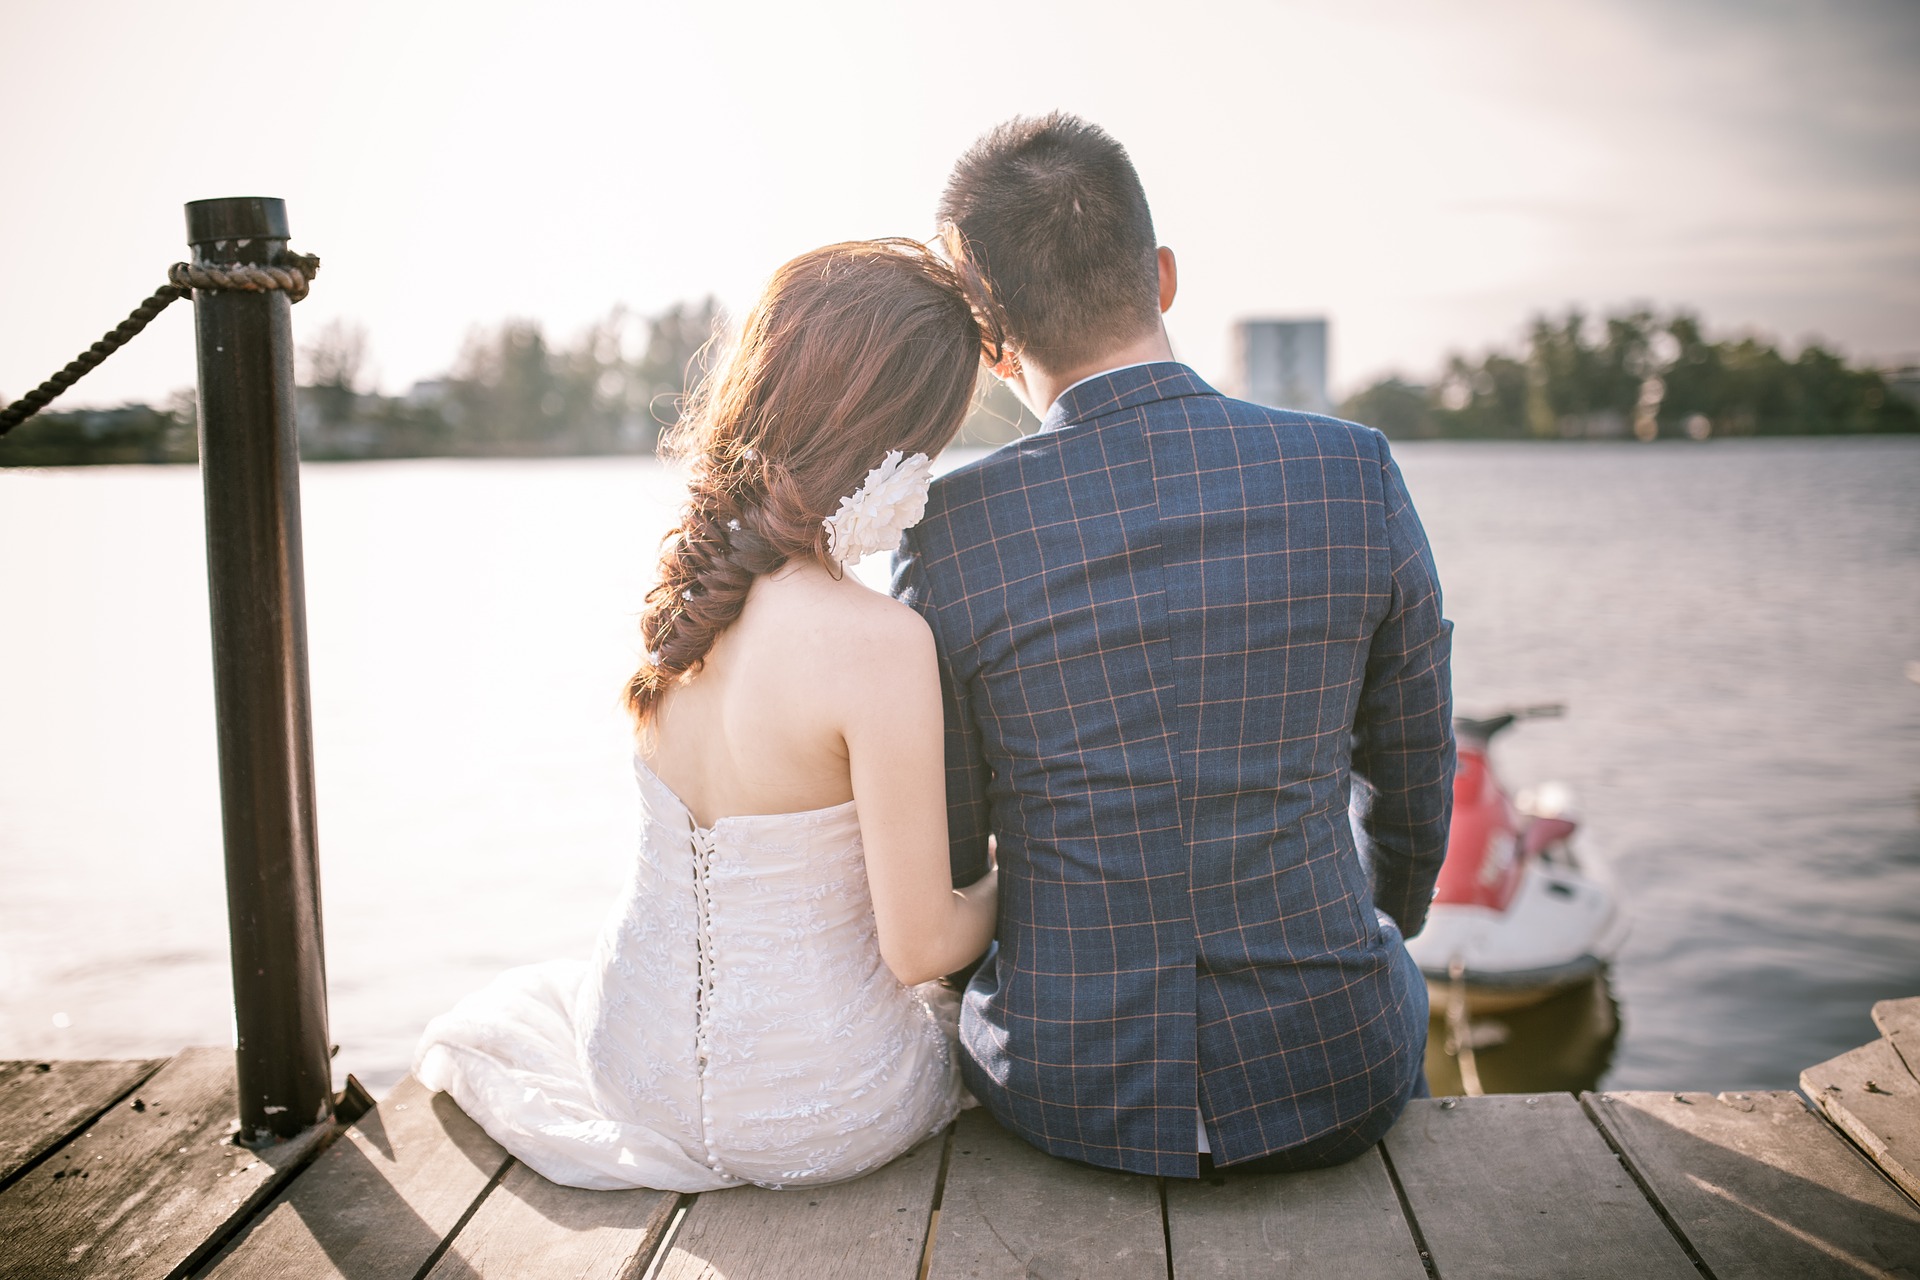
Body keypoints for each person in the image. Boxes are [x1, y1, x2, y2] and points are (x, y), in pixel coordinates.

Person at [891, 114, 1455, 1177]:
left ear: (993, 341)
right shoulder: (1354, 472)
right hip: (1334, 1068)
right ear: (1162, 275)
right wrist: (1376, 922)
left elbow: (958, 847)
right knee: (1388, 978)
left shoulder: (951, 533)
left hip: (1067, 1088)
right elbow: (1417, 769)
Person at [415, 239, 1000, 1192]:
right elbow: (921, 947)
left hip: (629, 1067)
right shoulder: (880, 642)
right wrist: (1016, 879)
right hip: (827, 1100)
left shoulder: (687, 606)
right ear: (899, 444)